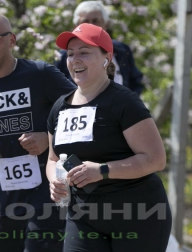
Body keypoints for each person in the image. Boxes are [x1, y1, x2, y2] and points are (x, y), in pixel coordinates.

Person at [47, 23, 172, 252]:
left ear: (107, 58)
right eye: (70, 53)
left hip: (138, 214)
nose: (75, 59)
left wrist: (102, 170)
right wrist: (54, 181)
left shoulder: (124, 101)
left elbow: (155, 159)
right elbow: (53, 159)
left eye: (84, 52)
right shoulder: (59, 108)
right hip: (84, 215)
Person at [0, 11, 76, 252]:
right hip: (4, 200)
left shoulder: (40, 74)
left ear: (11, 40)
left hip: (46, 197)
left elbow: (81, 111)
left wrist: (48, 139)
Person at [54, 1, 145, 96]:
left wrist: (129, 104)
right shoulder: (64, 57)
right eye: (85, 22)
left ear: (106, 25)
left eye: (95, 21)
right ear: (76, 26)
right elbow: (57, 89)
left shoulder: (122, 50)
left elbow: (136, 81)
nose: (91, 25)